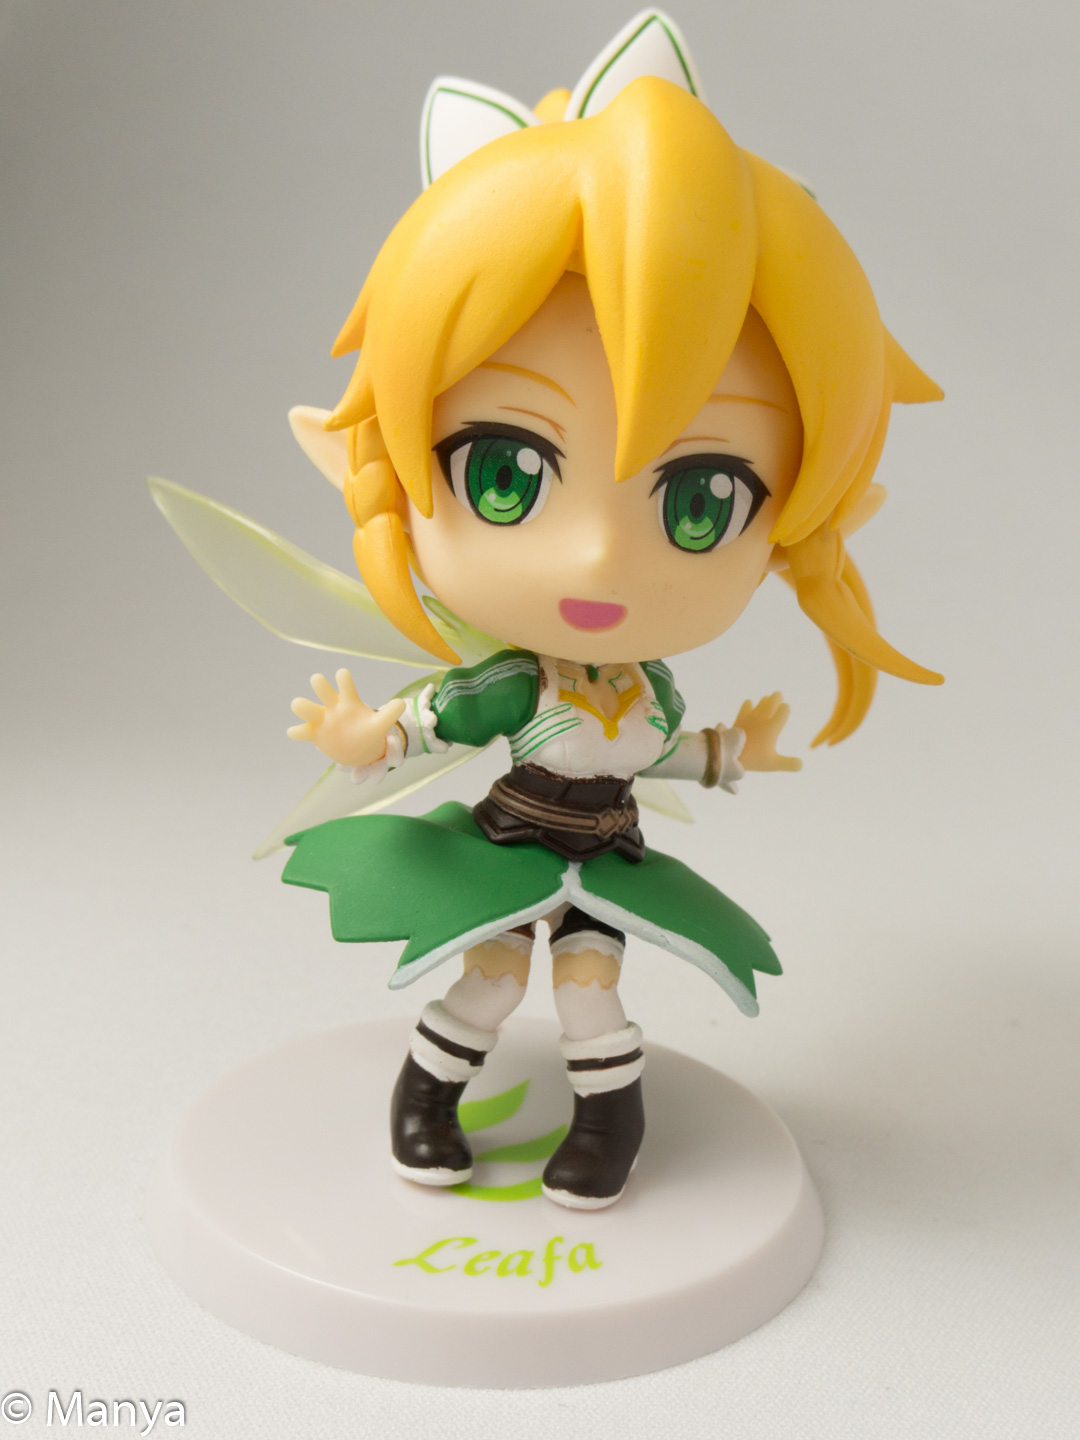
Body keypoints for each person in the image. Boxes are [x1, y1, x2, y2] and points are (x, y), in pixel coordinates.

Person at [281, 23, 942, 1210]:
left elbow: (657, 750)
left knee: (592, 996)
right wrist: (363, 739)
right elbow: (436, 721)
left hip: (606, 860)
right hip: (504, 855)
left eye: (701, 503)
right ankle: (425, 1103)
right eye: (505, 476)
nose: (596, 556)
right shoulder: (521, 687)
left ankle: (606, 1129)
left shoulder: (647, 690)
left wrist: (731, 753)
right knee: (489, 983)